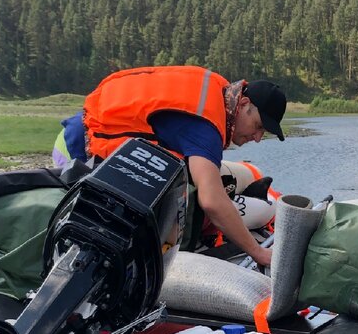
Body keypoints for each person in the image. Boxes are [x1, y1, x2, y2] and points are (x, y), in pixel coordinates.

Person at [53, 65, 287, 268]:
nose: (257, 137)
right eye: (258, 126)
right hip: (79, 149)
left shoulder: (218, 94)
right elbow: (212, 201)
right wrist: (258, 253)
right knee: (103, 238)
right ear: (244, 103)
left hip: (81, 131)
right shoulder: (206, 127)